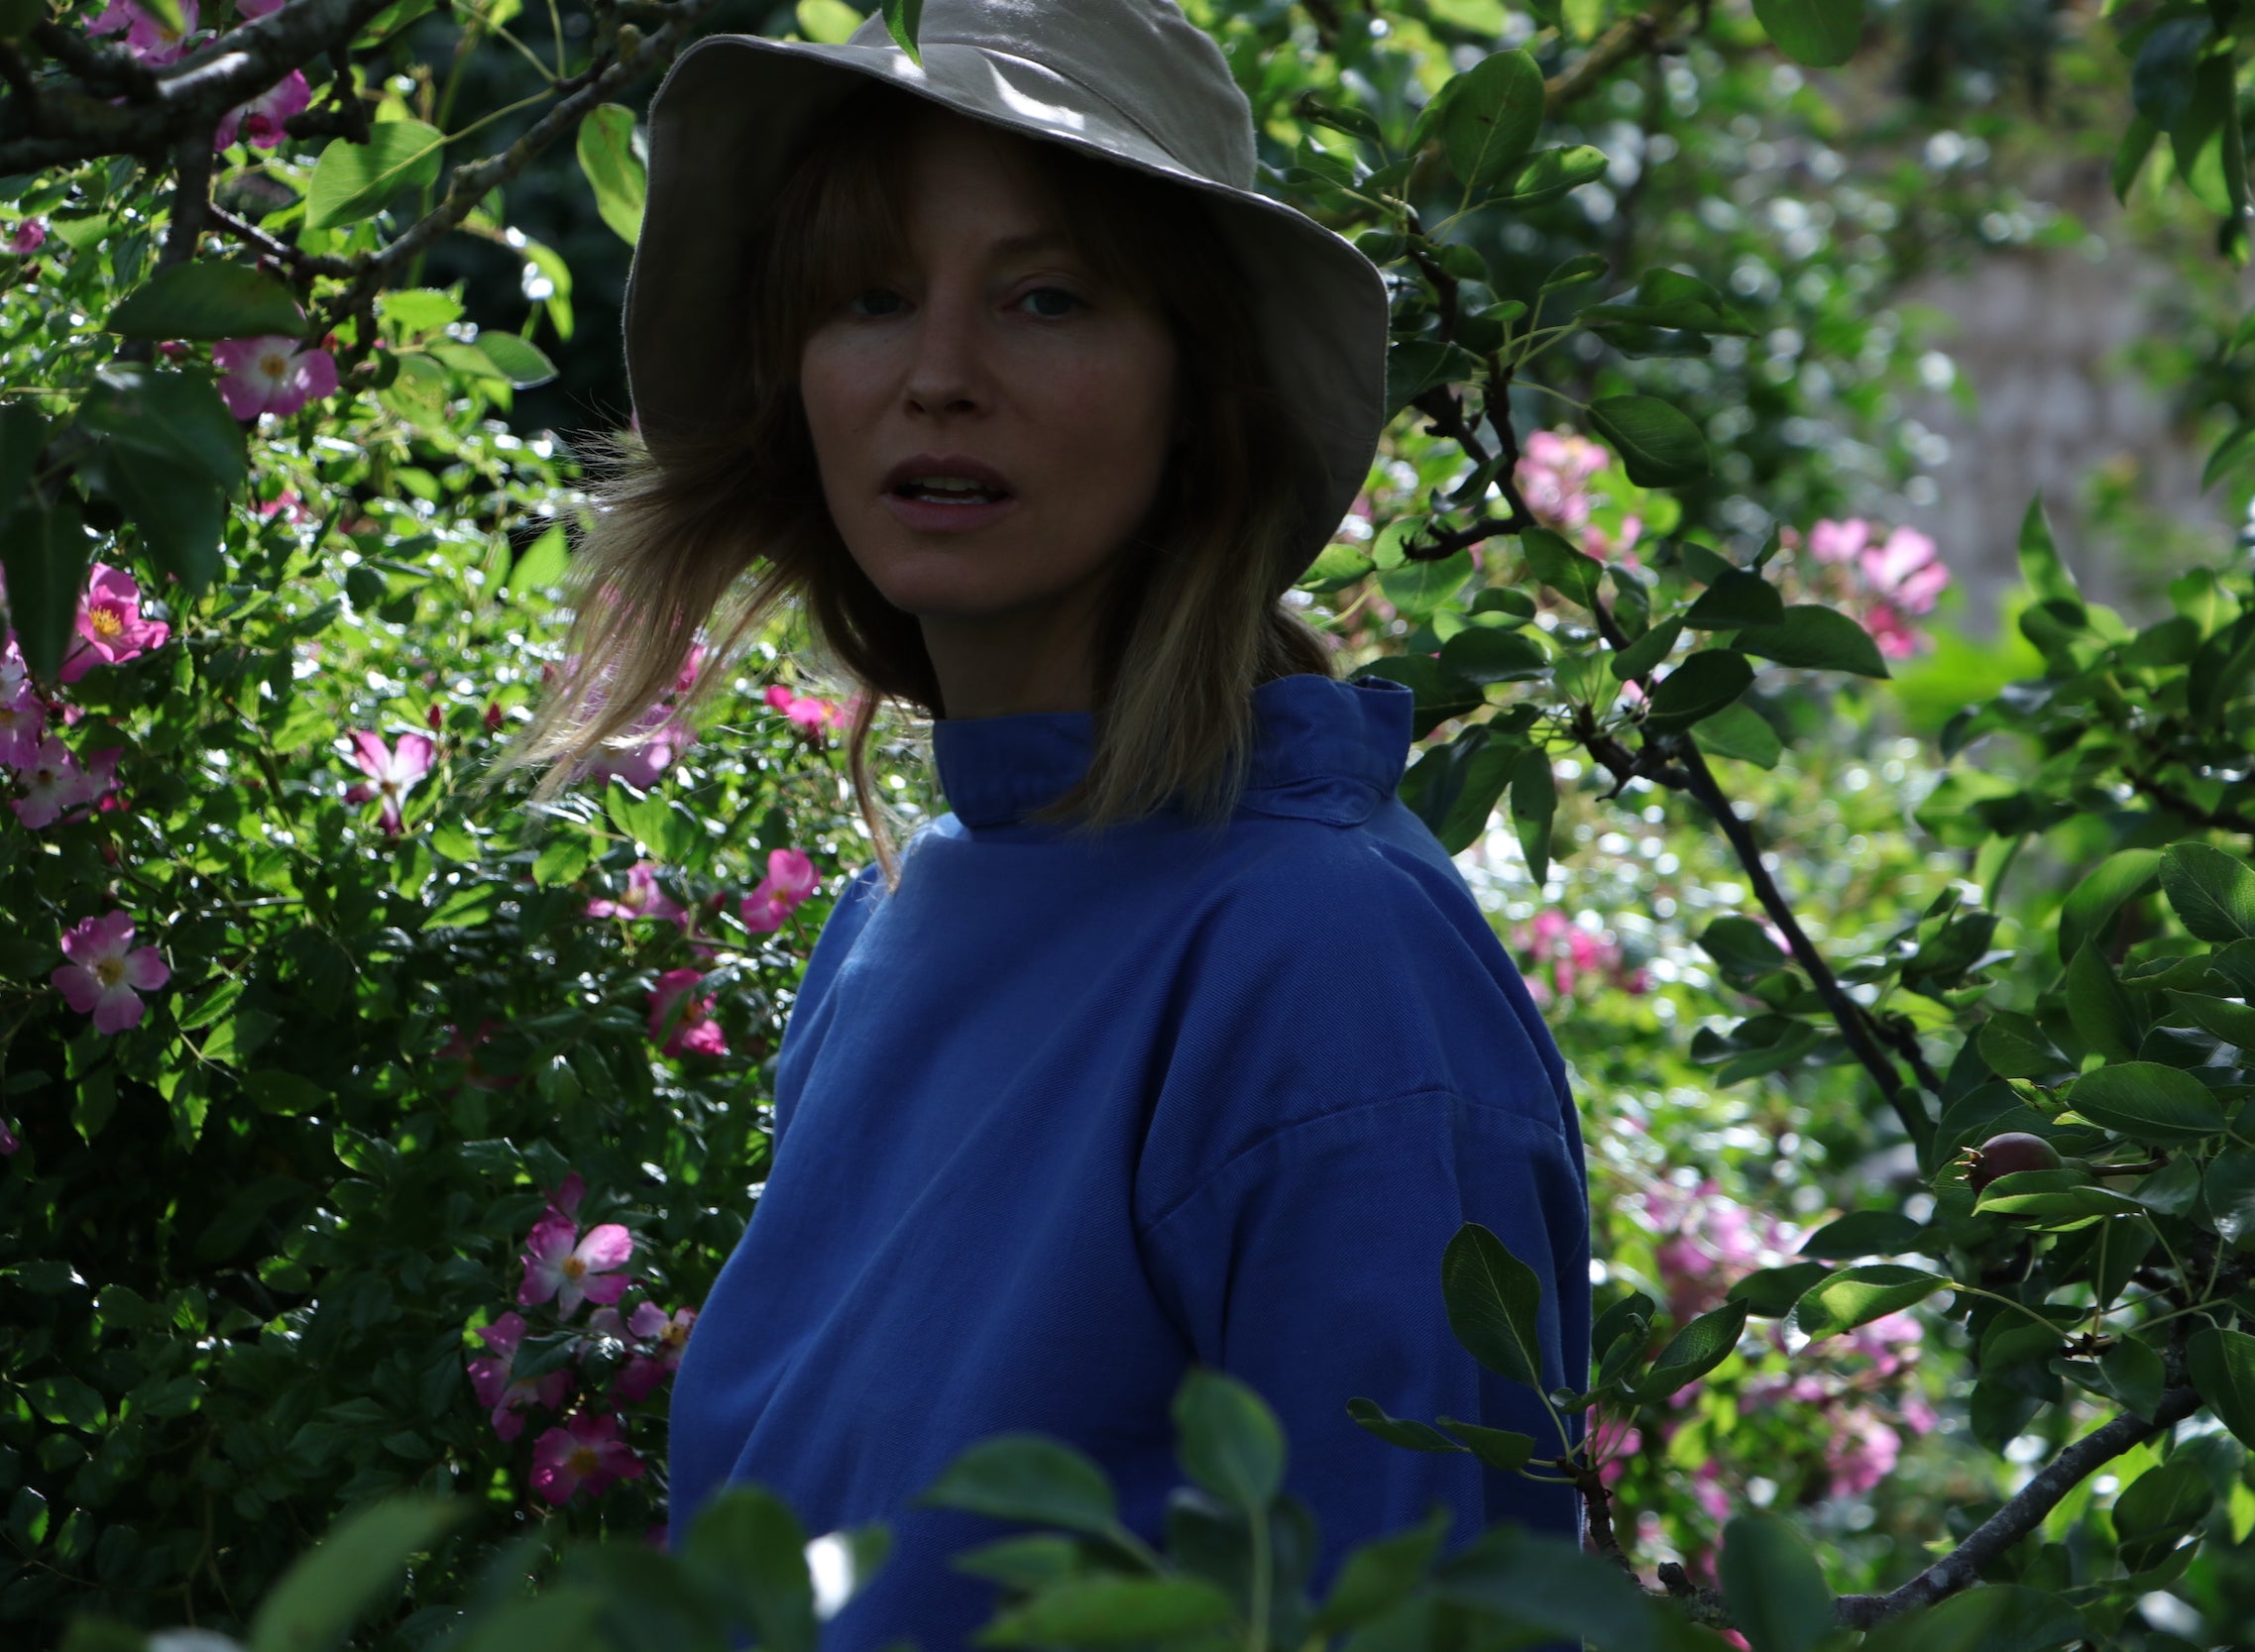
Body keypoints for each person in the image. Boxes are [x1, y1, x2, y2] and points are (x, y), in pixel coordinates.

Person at [501, 1, 1596, 1643]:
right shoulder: (901, 910)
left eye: (1047, 298)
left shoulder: (1327, 964)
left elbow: (1410, 1601)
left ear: (1197, 399)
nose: (939, 376)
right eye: (870, 298)